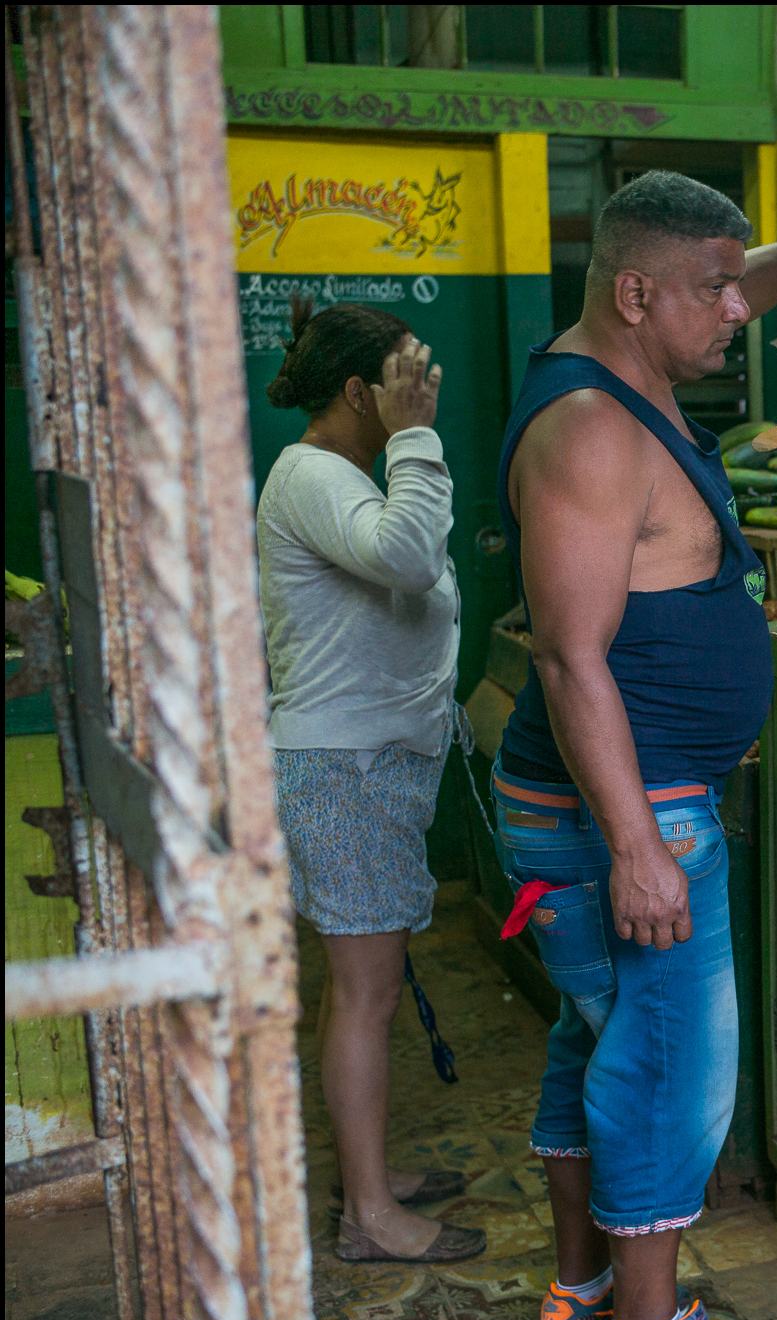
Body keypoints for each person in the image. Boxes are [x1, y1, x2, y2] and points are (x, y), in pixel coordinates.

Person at [492, 172, 777, 1320]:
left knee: (601, 1037)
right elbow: (571, 660)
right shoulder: (592, 429)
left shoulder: (630, 365)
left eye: (739, 283)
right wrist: (634, 846)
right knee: (668, 1067)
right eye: (717, 290)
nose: (742, 309)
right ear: (637, 293)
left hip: (635, 800)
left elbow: (726, 278)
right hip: (629, 812)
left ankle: (579, 1300)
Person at [256, 301, 484, 1263]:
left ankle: (368, 1176)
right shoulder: (312, 473)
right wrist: (421, 436)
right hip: (341, 765)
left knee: (367, 987)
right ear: (360, 391)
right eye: (405, 378)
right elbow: (406, 554)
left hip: (372, 759)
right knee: (364, 994)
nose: (422, 391)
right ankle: (368, 1219)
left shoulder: (341, 477)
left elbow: (405, 572)